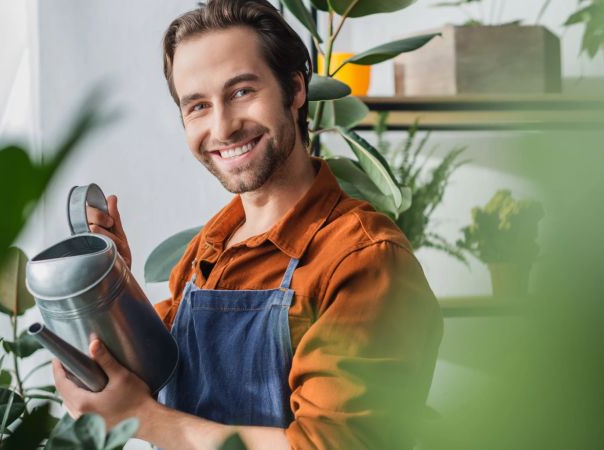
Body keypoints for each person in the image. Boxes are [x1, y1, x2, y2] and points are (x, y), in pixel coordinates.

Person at [52, 1, 443, 448]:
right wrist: (111, 288)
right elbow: (148, 374)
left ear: (295, 89)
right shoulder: (211, 247)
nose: (223, 127)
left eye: (241, 92)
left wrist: (143, 419)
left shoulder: (363, 259)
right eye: (197, 105)